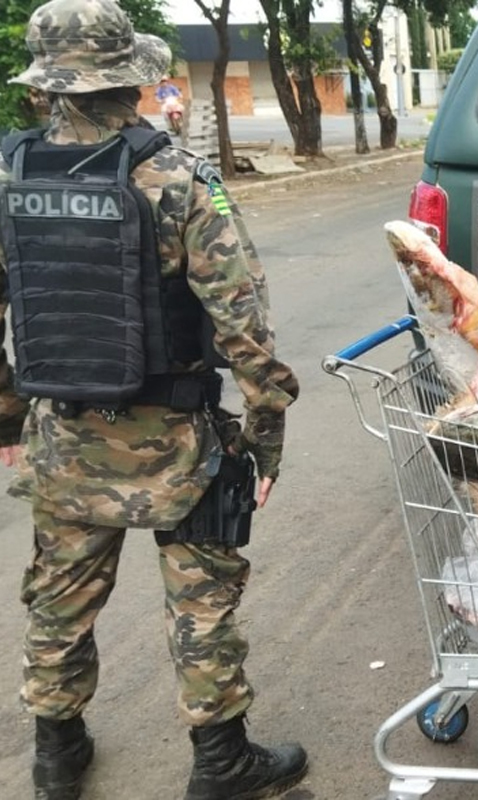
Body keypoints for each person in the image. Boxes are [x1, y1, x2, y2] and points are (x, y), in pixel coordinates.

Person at [0, 1, 305, 798]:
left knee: (59, 599)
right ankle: (221, 763)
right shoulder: (177, 177)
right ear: (130, 80)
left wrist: (5, 418)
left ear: (49, 87)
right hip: (178, 440)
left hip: (63, 437)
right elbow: (244, 326)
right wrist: (265, 437)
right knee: (202, 601)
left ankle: (56, 756)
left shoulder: (11, 172)